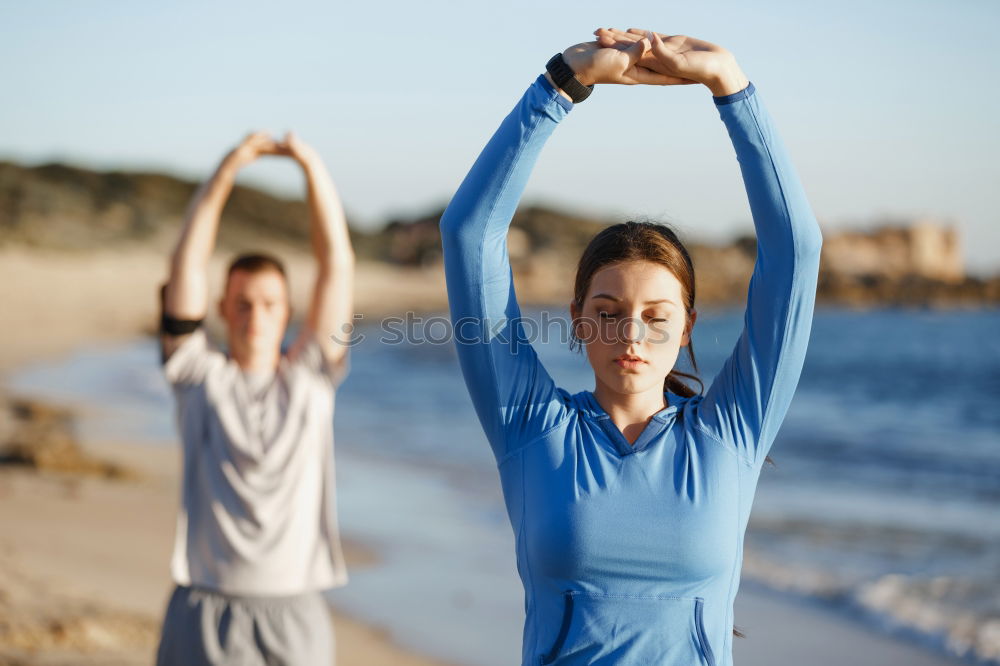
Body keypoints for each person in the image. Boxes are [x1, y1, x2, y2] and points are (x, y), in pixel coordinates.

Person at [440, 28, 822, 666]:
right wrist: (562, 83)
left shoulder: (733, 434)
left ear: (688, 326)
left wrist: (730, 84)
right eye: (608, 311)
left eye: (656, 316)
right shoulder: (530, 426)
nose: (631, 335)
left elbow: (796, 251)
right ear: (579, 321)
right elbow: (469, 232)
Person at [155, 131, 354, 665]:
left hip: (295, 611)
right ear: (222, 307)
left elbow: (336, 264)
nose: (255, 315)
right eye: (242, 302)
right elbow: (185, 267)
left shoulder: (313, 377)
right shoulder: (197, 376)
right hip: (203, 608)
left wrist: (311, 167)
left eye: (269, 303)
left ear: (289, 312)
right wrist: (227, 171)